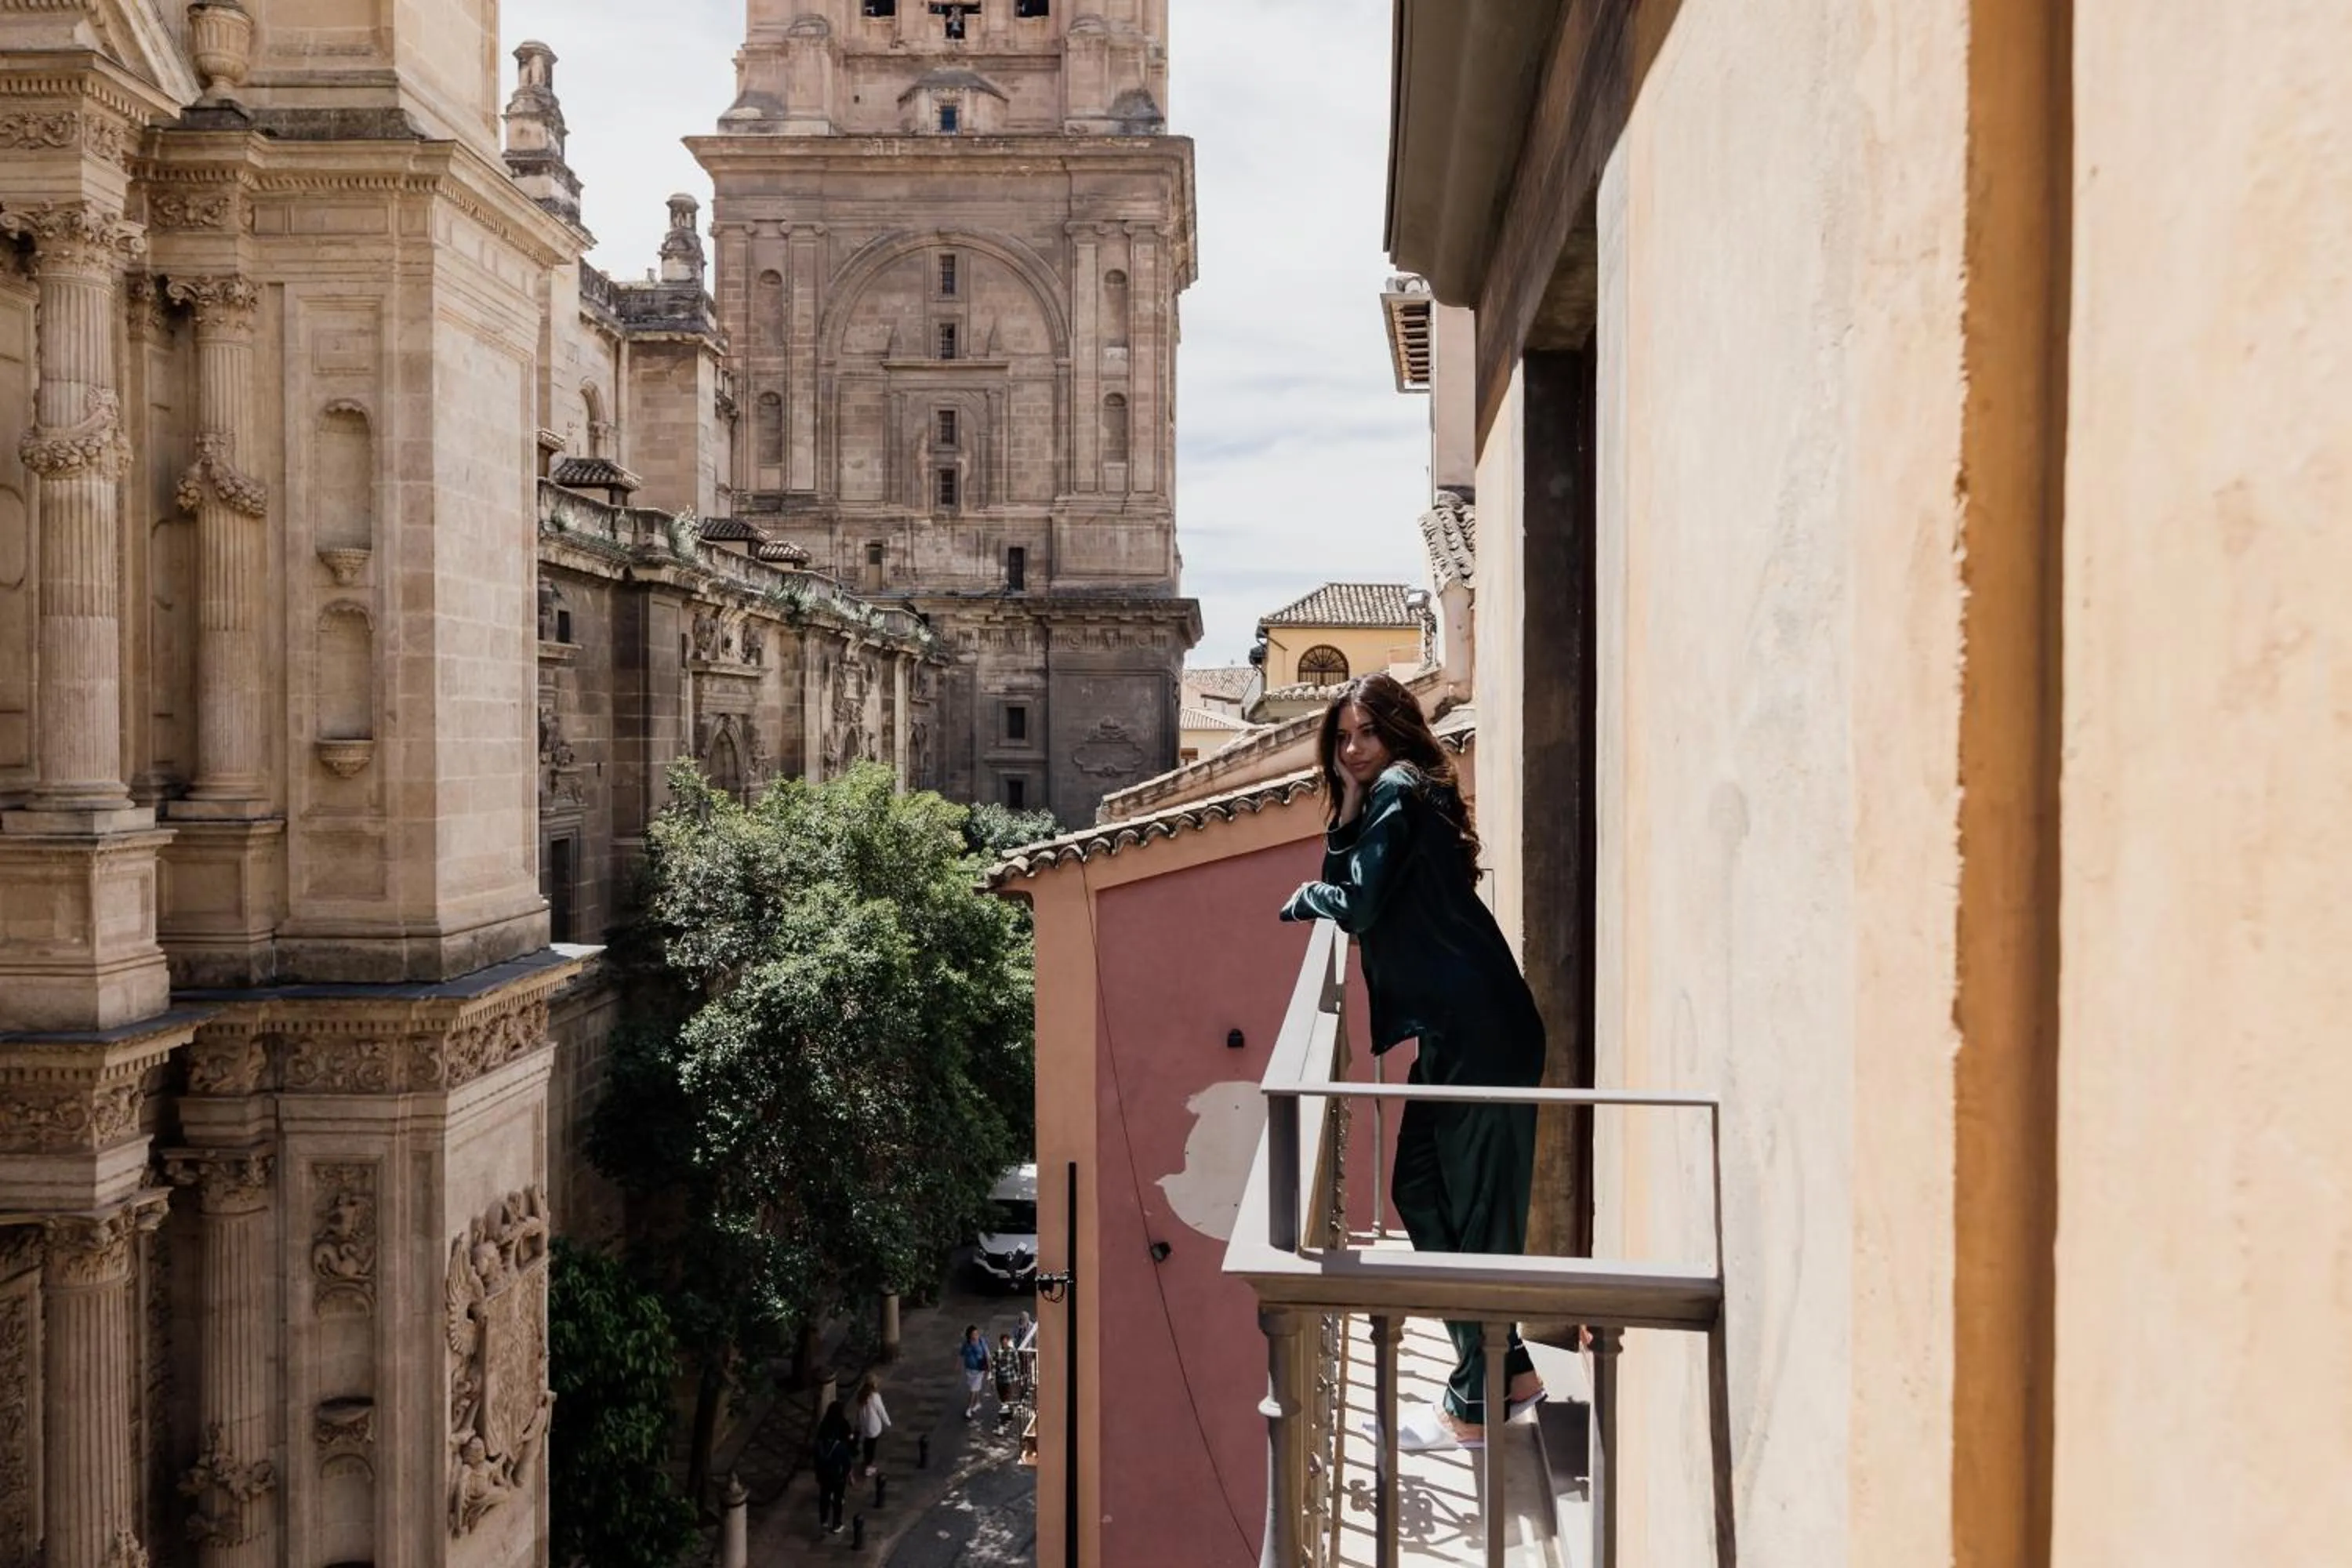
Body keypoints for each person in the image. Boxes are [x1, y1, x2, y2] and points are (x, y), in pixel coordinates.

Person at [1279, 673, 1548, 1448]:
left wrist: (1307, 897)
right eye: (1341, 737)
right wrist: (1347, 812)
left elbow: (1353, 903)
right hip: (1457, 1026)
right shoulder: (1394, 791)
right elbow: (1360, 881)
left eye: (1365, 731)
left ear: (1397, 730)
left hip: (1481, 1029)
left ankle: (1474, 1401)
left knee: (1479, 1216)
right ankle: (1509, 1366)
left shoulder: (1399, 784)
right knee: (1419, 1189)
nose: (1352, 748)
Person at [812, 1398, 855, 1534]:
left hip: (824, 1473)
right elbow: (846, 1463)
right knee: (838, 1499)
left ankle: (823, 1521)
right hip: (837, 1475)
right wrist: (849, 1475)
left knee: (824, 1496)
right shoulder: (841, 1445)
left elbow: (816, 1455)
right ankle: (836, 1524)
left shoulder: (823, 1428)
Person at [853, 1373, 891, 1476]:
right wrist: (888, 1422)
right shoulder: (875, 1397)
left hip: (864, 1426)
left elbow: (859, 1411)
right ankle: (868, 1467)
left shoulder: (861, 1395)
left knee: (867, 1445)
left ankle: (866, 1461)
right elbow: (881, 1411)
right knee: (872, 1447)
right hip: (873, 1427)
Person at [958, 1324, 990, 1420]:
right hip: (969, 1370)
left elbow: (987, 1354)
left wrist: (989, 1368)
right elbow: (962, 1354)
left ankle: (969, 1408)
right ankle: (977, 1403)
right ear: (969, 1335)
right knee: (974, 1388)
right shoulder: (966, 1343)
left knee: (973, 1389)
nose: (976, 1335)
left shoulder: (981, 1342)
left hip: (979, 1370)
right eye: (974, 1334)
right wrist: (958, 1365)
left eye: (977, 1333)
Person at [991, 1330, 1021, 1421]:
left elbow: (1017, 1364)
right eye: (1003, 1342)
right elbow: (994, 1366)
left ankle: (1004, 1419)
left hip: (1009, 1379)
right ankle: (1009, 1414)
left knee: (1007, 1399)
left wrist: (1019, 1376)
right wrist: (992, 1378)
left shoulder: (1013, 1352)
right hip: (1000, 1380)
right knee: (1003, 1399)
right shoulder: (997, 1352)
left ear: (1008, 1342)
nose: (1005, 1344)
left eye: (1006, 1342)